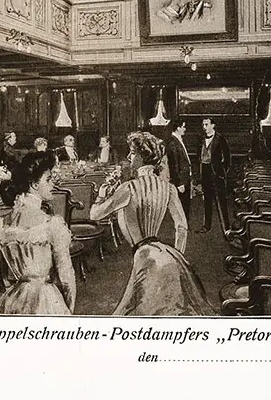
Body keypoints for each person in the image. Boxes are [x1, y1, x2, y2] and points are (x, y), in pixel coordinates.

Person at [90, 131, 215, 316]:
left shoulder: (128, 188)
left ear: (141, 156)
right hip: (167, 254)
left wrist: (101, 194)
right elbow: (182, 226)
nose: (128, 157)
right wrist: (177, 254)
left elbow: (94, 215)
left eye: (132, 153)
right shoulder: (169, 187)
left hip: (144, 256)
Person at [0, 150, 76, 315]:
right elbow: (66, 278)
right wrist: (69, 310)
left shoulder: (1, 224)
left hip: (14, 300)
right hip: (46, 300)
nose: (54, 184)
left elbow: (6, 274)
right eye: (49, 179)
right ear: (34, 185)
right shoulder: (51, 224)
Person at [198, 117, 231, 234]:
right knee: (207, 201)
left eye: (206, 124)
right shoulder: (201, 139)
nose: (204, 127)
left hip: (217, 175)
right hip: (205, 173)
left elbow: (227, 159)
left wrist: (221, 173)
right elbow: (199, 157)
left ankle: (227, 228)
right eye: (203, 125)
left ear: (213, 125)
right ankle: (207, 226)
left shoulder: (220, 139)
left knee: (221, 202)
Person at [166, 119, 192, 220]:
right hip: (181, 181)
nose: (185, 129)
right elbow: (174, 165)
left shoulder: (178, 140)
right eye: (183, 127)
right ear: (178, 128)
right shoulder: (173, 143)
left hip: (184, 178)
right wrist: (179, 183)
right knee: (181, 207)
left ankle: (185, 226)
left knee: (185, 206)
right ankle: (183, 228)